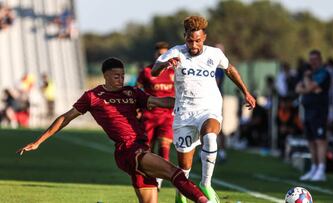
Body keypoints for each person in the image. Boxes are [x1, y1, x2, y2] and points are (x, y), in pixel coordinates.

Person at [17, 58, 210, 203]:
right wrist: (38, 142)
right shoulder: (93, 96)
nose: (121, 79)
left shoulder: (131, 92)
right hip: (129, 150)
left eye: (123, 75)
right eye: (116, 76)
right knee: (174, 172)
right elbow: (65, 117)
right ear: (106, 76)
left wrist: (189, 103)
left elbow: (160, 102)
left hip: (141, 148)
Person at [151, 16, 256, 202]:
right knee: (184, 168)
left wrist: (246, 92)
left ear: (204, 37)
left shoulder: (214, 54)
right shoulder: (176, 52)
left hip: (209, 109)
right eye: (190, 40)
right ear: (185, 37)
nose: (193, 45)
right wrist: (165, 64)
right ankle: (181, 191)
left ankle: (206, 184)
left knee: (210, 137)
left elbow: (230, 69)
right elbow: (154, 70)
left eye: (197, 41)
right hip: (184, 114)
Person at [137, 41, 175, 189]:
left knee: (164, 147)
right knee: (147, 149)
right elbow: (138, 91)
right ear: (155, 55)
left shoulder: (173, 72)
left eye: (164, 54)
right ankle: (148, 176)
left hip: (167, 116)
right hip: (149, 116)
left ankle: (159, 180)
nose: (162, 56)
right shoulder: (146, 71)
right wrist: (137, 110)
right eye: (159, 54)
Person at [296, 50, 331, 181]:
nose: (312, 62)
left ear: (320, 59)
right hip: (308, 111)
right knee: (311, 141)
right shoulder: (312, 74)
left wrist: (307, 82)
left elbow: (309, 87)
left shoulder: (323, 73)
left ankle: (321, 169)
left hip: (319, 111)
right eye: (311, 59)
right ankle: (314, 167)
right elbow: (298, 88)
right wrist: (308, 88)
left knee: (320, 140)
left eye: (315, 59)